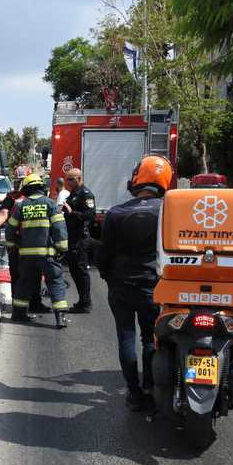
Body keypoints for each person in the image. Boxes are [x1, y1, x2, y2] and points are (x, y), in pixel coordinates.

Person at [98, 155, 173, 411]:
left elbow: (104, 256)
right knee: (150, 340)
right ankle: (151, 387)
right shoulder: (170, 211)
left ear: (137, 179)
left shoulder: (116, 213)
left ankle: (134, 393)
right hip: (154, 286)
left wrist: (109, 277)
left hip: (121, 286)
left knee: (126, 338)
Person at [5, 173, 69, 328]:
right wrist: (62, 248)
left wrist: (13, 244)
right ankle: (60, 317)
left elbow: (10, 229)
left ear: (26, 189)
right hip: (47, 255)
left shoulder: (21, 205)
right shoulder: (51, 204)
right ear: (42, 188)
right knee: (55, 283)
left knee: (24, 283)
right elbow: (59, 228)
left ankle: (18, 314)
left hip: (27, 256)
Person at [0, 185, 51, 313]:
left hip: (27, 243)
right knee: (23, 275)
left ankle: (31, 304)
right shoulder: (15, 198)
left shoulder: (33, 199)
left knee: (31, 275)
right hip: (22, 244)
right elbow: (4, 213)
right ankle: (22, 306)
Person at [61, 168, 96, 312]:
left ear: (79, 179)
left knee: (80, 269)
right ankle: (82, 300)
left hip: (80, 237)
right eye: (66, 179)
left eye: (70, 179)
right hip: (71, 236)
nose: (67, 182)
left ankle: (86, 302)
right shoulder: (73, 194)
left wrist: (72, 212)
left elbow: (90, 215)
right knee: (74, 269)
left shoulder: (86, 194)